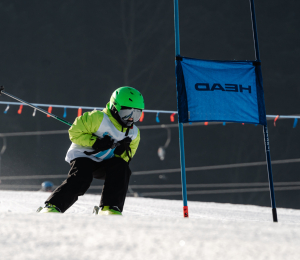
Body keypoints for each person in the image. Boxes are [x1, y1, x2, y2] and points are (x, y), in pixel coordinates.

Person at [39, 86, 144, 215]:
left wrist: (120, 151)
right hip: (84, 156)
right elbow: (74, 133)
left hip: (105, 162)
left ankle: (109, 208)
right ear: (114, 107)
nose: (131, 119)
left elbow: (126, 158)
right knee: (82, 177)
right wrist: (95, 142)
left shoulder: (134, 133)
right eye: (126, 113)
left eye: (137, 114)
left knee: (122, 168)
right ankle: (53, 206)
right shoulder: (97, 118)